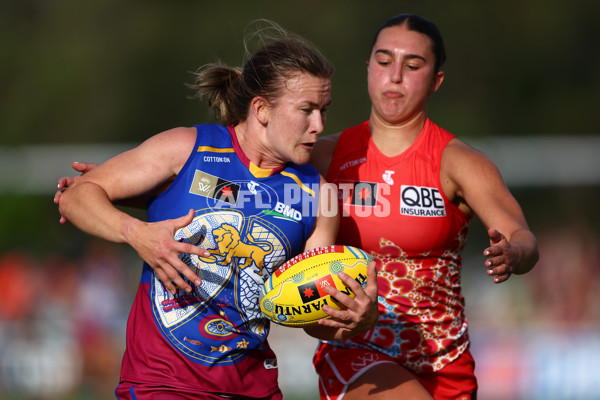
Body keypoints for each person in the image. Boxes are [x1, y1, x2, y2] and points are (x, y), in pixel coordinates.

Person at [57, 22, 378, 400]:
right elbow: (76, 197)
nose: (319, 126)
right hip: (164, 384)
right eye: (306, 110)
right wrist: (138, 234)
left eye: (324, 110)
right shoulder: (186, 149)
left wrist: (356, 319)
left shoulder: (317, 194)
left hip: (255, 387)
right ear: (261, 109)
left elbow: (311, 314)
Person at [308, 14, 539, 400]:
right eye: (384, 62)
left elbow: (524, 238)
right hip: (356, 350)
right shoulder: (322, 158)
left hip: (444, 362)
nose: (395, 75)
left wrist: (514, 252)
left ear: (436, 80)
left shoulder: (461, 163)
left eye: (412, 65)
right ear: (368, 68)